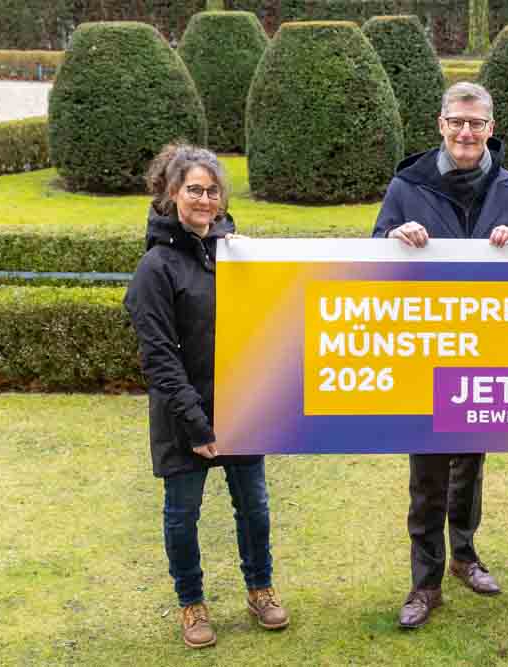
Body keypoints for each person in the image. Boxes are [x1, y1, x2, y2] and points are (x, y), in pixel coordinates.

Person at [372, 81, 508, 628]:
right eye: (457, 122)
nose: (467, 132)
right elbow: (371, 253)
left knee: (471, 462)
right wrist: (396, 234)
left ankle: (465, 556)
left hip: (487, 347)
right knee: (428, 472)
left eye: (477, 123)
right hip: (427, 346)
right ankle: (425, 582)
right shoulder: (406, 185)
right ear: (440, 124)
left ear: (492, 128)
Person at [124, 144, 289, 648]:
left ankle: (260, 589)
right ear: (173, 193)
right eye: (194, 189)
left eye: (212, 191)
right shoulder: (156, 267)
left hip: (240, 407)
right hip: (185, 416)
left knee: (254, 508)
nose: (203, 199)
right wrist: (197, 425)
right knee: (182, 514)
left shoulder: (236, 253)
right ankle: (191, 604)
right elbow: (159, 359)